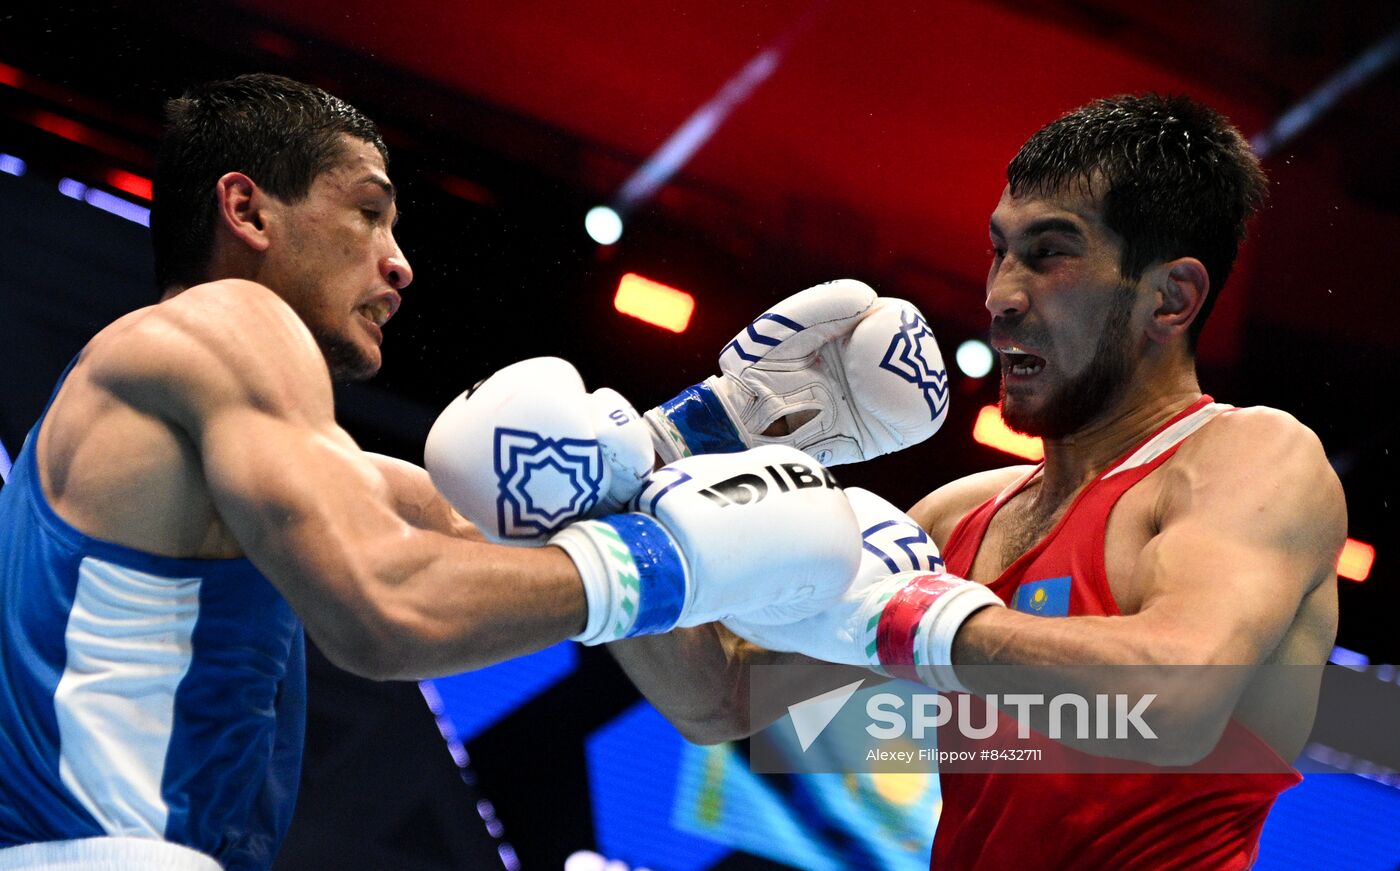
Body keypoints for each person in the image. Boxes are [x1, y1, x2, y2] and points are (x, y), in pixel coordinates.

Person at [0, 73, 878, 871]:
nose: (399, 261)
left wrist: (888, 614)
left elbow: (712, 701)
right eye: (367, 211)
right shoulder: (219, 322)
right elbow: (390, 610)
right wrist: (661, 558)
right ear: (248, 210)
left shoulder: (298, 467)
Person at [610, 93, 1345, 869]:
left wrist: (916, 621)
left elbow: (1176, 698)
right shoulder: (958, 518)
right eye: (1001, 250)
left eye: (1051, 253)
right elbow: (722, 698)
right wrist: (642, 477)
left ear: (1171, 297)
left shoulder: (1252, 458)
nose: (1000, 294)